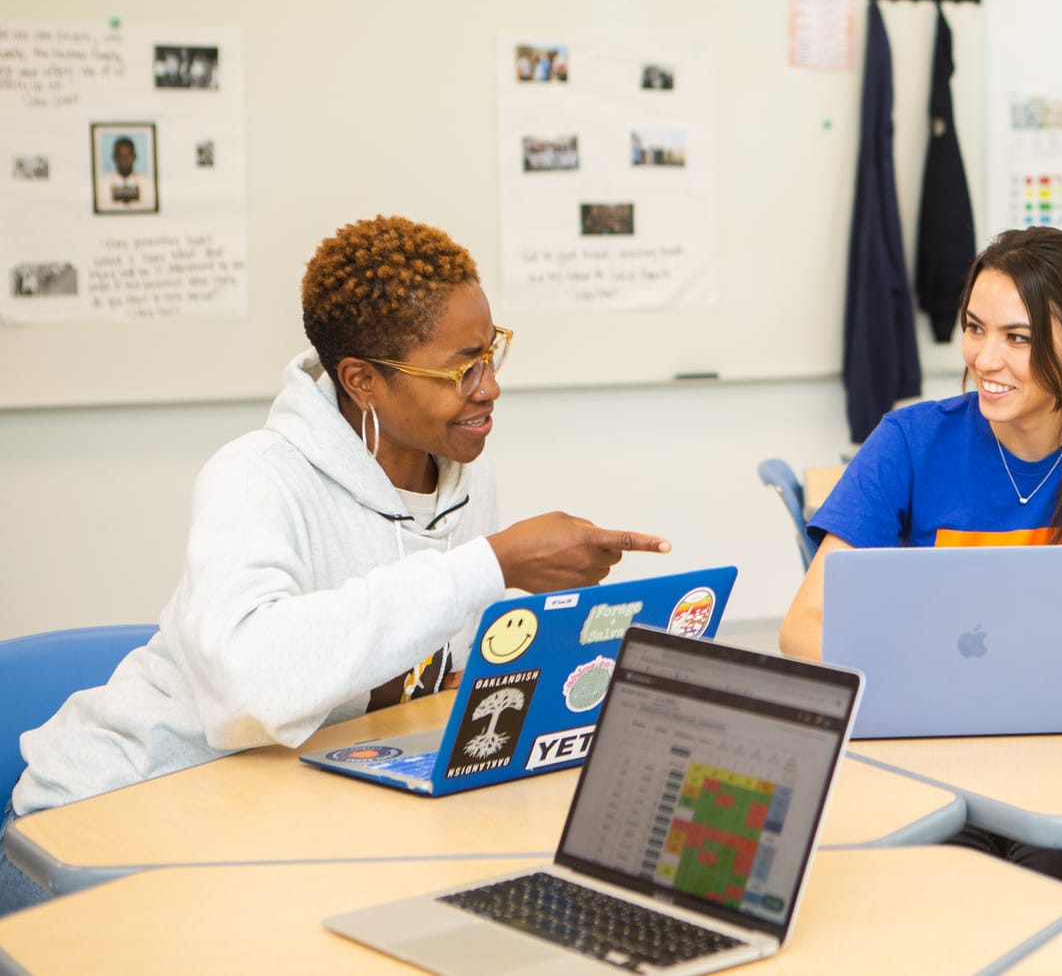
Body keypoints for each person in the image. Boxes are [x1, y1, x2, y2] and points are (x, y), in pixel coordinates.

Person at [2, 216, 667, 913]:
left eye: (492, 352)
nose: (490, 386)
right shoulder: (256, 477)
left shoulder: (469, 480)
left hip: (273, 807)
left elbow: (438, 666)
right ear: (361, 380)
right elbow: (251, 684)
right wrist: (492, 563)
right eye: (460, 367)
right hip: (98, 827)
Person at [781, 226, 1062, 681]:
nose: (985, 359)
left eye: (1018, 338)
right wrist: (915, 673)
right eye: (975, 328)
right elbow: (803, 626)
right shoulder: (908, 440)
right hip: (933, 704)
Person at [94, 134, 154, 212]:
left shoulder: (146, 183)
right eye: (120, 155)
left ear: (134, 157)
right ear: (114, 157)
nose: (124, 160)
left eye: (127, 155)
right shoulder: (103, 184)